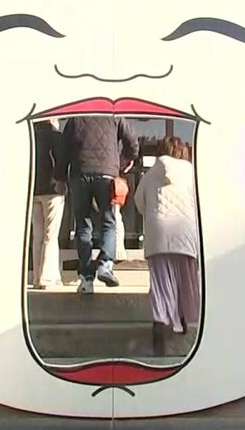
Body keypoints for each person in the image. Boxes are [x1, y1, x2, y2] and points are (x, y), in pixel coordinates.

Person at [134, 136, 200, 356]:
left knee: (161, 283)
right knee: (185, 279)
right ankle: (182, 318)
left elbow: (139, 202)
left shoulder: (151, 173)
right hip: (184, 231)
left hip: (157, 232)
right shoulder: (191, 173)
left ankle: (160, 325)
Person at [58, 116, 138, 293]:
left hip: (80, 173)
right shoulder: (114, 115)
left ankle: (86, 279)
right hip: (107, 173)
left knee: (82, 225)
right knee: (108, 222)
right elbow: (132, 140)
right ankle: (105, 264)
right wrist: (127, 159)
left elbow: (63, 150)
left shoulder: (75, 118)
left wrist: (60, 177)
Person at [30, 119, 65, 289]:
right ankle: (48, 277)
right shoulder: (55, 135)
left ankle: (36, 277)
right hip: (52, 190)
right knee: (50, 235)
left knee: (37, 235)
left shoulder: (30, 135)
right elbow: (61, 161)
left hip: (33, 190)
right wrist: (61, 181)